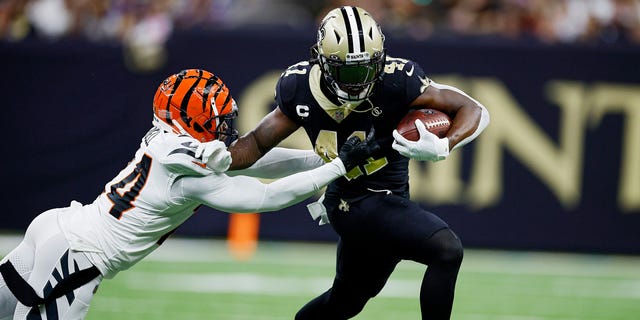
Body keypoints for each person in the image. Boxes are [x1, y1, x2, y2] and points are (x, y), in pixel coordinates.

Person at [0, 68, 379, 320]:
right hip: (79, 258)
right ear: (192, 119)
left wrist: (318, 160)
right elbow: (267, 198)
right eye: (217, 120)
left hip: (56, 227)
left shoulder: (167, 141)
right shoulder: (189, 164)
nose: (226, 127)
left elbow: (253, 162)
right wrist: (337, 167)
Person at [226, 6, 490, 320]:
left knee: (345, 302)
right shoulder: (300, 88)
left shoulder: (397, 79)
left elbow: (473, 109)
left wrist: (445, 144)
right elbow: (254, 144)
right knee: (446, 250)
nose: (358, 81)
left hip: (391, 198)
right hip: (350, 201)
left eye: (366, 69)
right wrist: (215, 158)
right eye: (348, 72)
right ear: (321, 61)